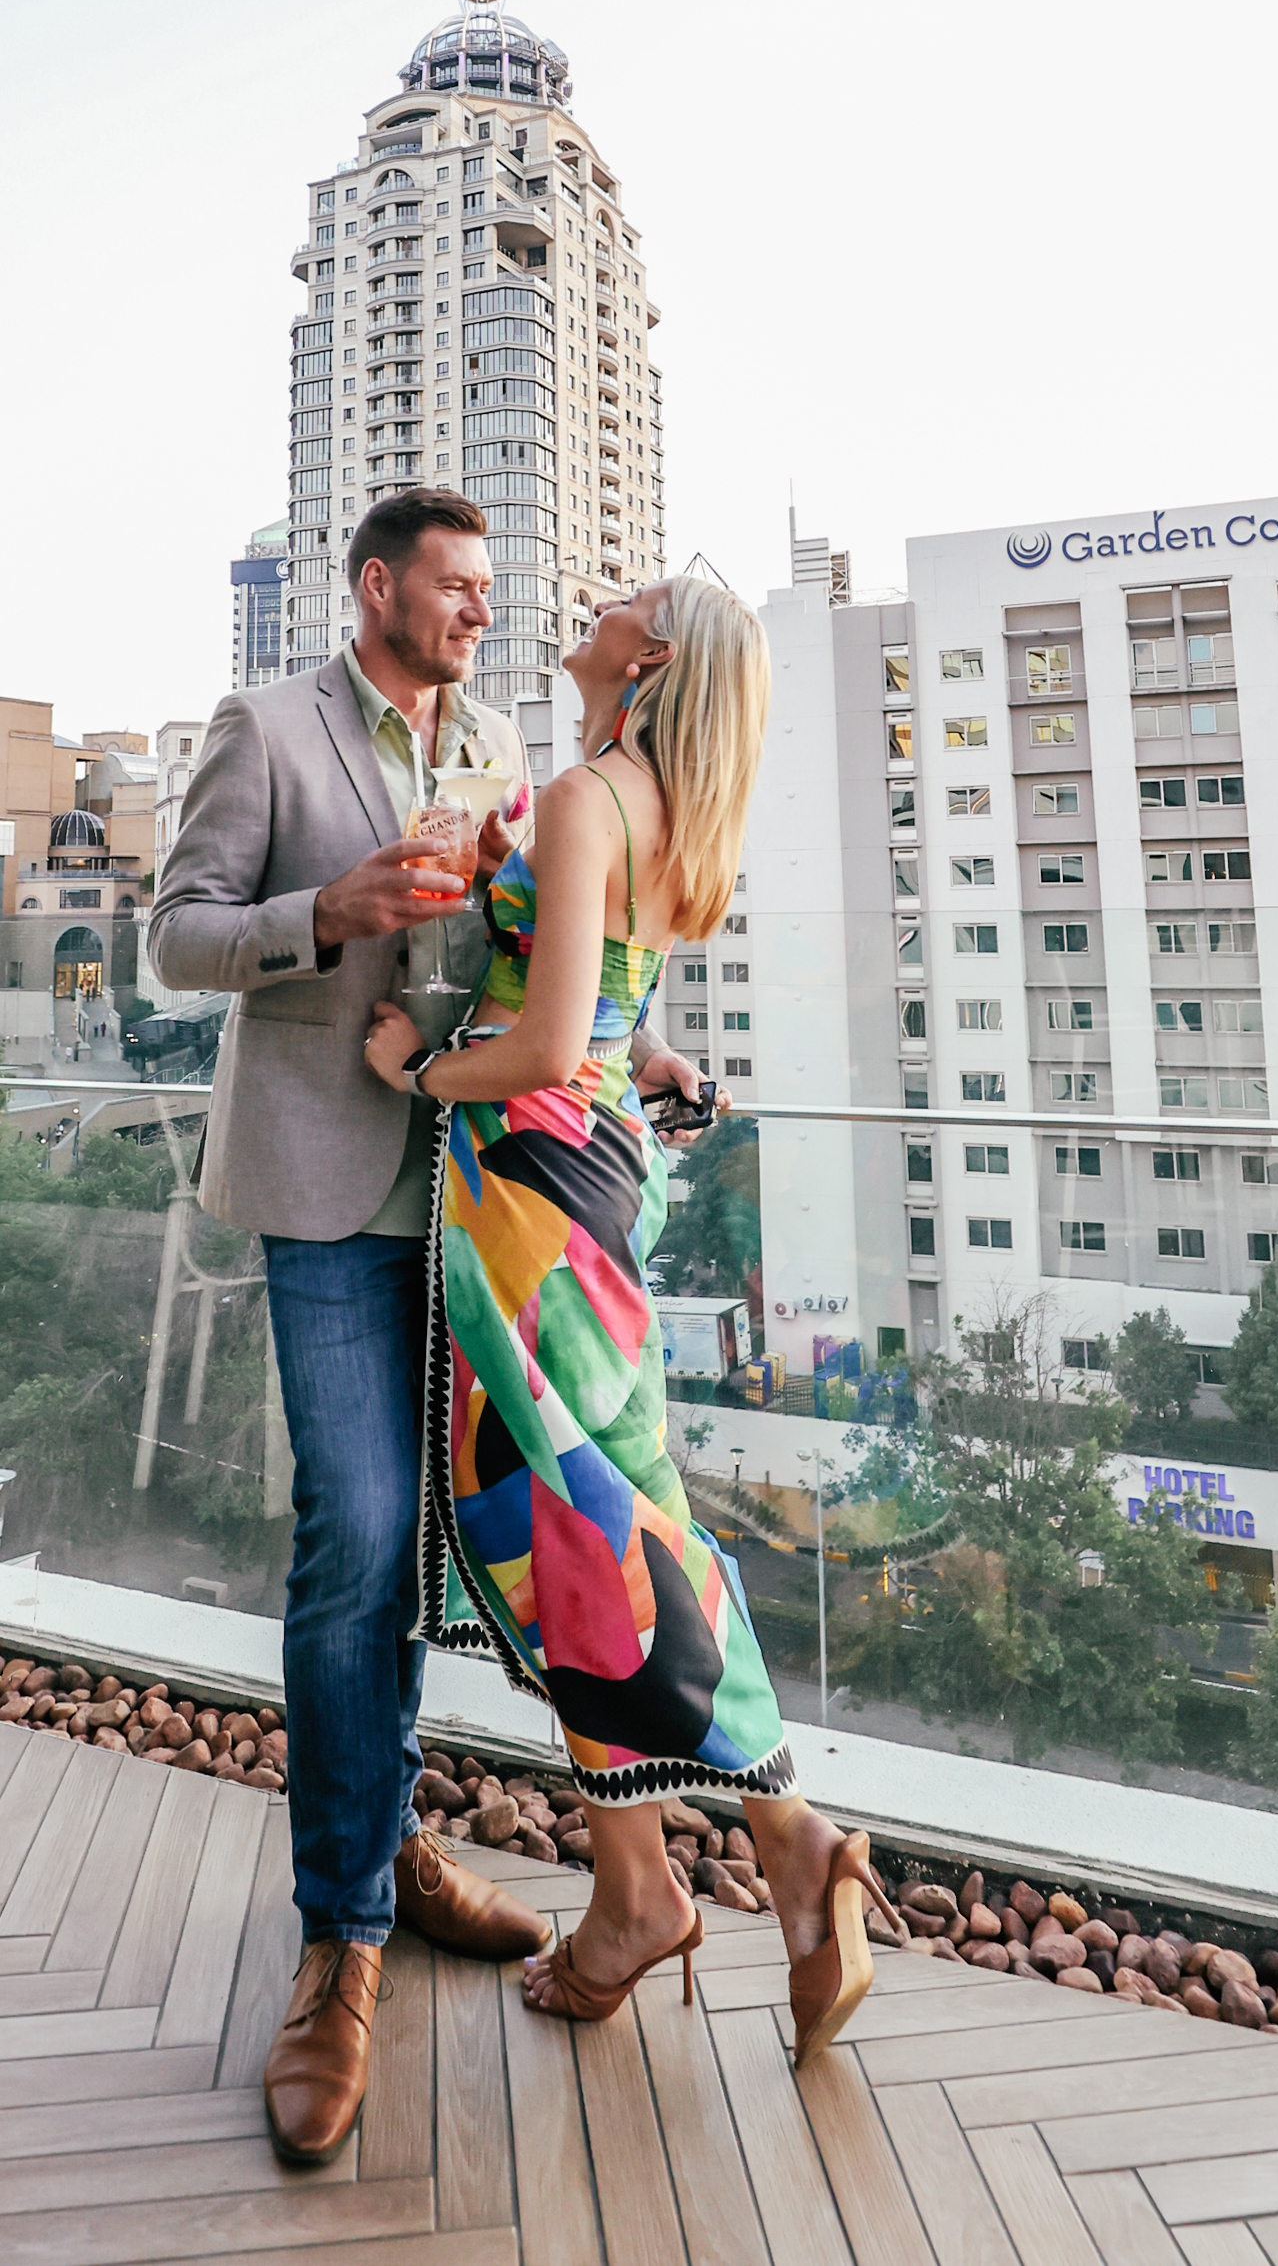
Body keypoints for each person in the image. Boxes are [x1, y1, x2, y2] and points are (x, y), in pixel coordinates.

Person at [149, 492, 713, 2166]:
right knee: (358, 1540)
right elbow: (173, 938)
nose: (484, 607)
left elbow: (530, 970)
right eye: (457, 585)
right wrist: (322, 914)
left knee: (440, 1556)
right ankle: (339, 1940)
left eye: (491, 588)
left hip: (479, 1200)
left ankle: (383, 1848)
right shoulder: (265, 726)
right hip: (328, 1196)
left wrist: (634, 1061)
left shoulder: (509, 749)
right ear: (377, 585)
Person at [363, 573, 901, 2061]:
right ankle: (724, 1858)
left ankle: (686, 1877)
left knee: (581, 1534)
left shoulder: (595, 793)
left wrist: (415, 1069)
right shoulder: (653, 799)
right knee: (614, 1516)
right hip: (598, 1177)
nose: (597, 596)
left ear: (647, 656)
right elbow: (605, 1001)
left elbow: (539, 1041)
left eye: (628, 594)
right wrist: (649, 1060)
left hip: (535, 1195)